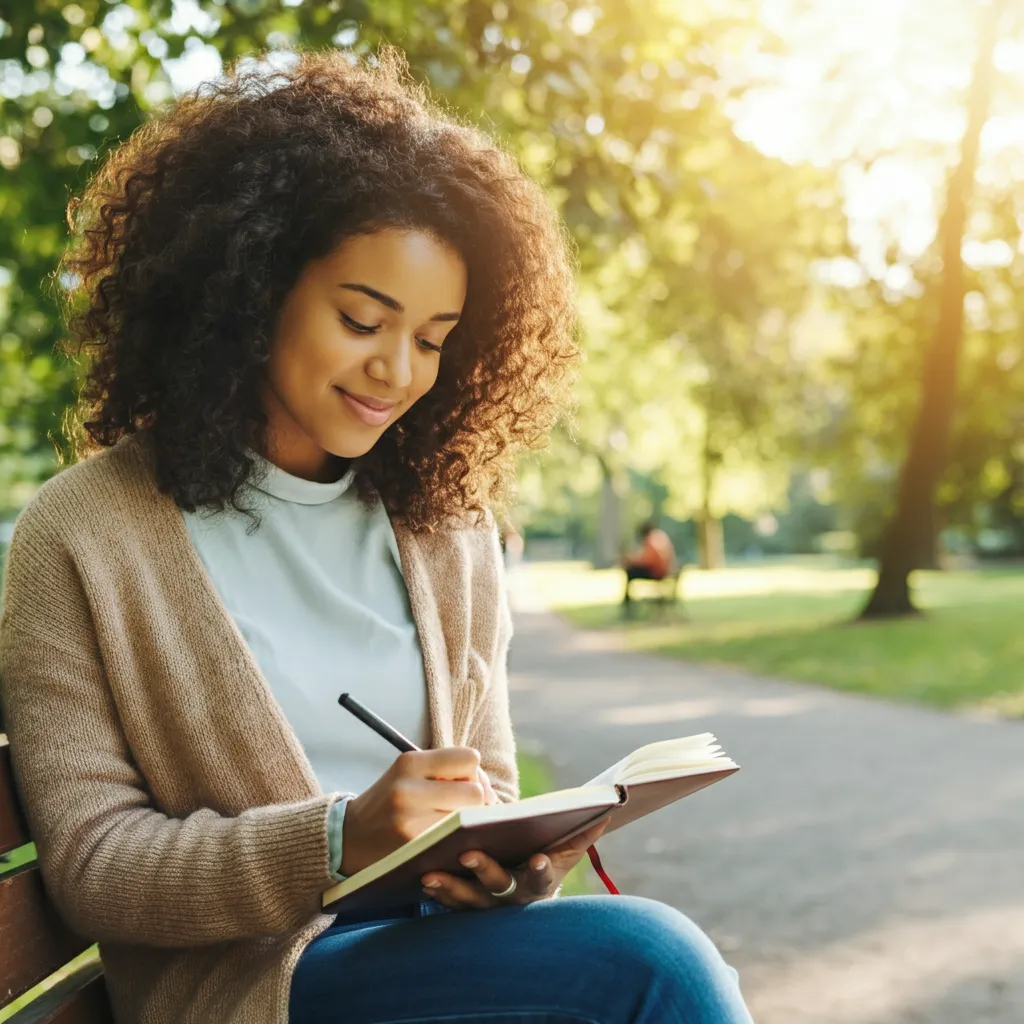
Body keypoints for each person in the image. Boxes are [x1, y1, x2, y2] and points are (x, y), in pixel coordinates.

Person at [0, 49, 753, 1024]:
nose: (397, 370)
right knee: (650, 961)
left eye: (435, 338)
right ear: (254, 288)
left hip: (433, 954)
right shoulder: (86, 532)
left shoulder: (445, 527)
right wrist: (337, 839)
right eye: (364, 319)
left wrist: (501, 871)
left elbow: (486, 791)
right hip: (251, 988)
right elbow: (96, 868)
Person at [622, 520, 677, 607]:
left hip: (657, 572)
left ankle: (627, 606)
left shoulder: (652, 539)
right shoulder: (660, 536)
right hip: (666, 571)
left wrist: (632, 560)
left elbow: (648, 560)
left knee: (629, 572)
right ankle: (628, 604)